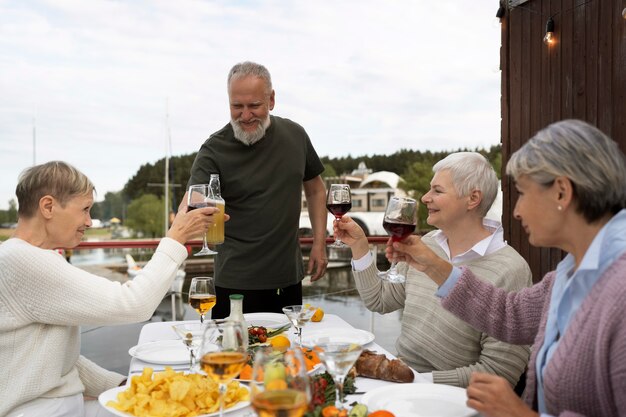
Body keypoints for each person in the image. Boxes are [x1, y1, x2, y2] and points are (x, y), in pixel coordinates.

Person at [390, 120, 626, 417]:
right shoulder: (571, 271)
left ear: (561, 193)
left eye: (524, 194)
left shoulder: (619, 289)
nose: (517, 210)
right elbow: (510, 314)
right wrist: (434, 266)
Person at [0, 161, 217, 417]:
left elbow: (56, 360)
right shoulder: (21, 260)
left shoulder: (27, 256)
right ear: (48, 206)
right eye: (85, 209)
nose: (89, 221)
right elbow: (134, 304)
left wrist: (122, 385)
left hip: (60, 405)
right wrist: (177, 236)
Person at [334, 152, 532, 388]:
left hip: (455, 401)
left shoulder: (511, 269)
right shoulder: (427, 243)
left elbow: (499, 374)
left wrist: (414, 381)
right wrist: (359, 245)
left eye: (437, 191)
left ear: (472, 199)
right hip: (402, 380)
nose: (425, 197)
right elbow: (379, 300)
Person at [183, 61, 328, 318]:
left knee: (287, 354)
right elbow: (192, 200)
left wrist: (319, 243)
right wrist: (195, 211)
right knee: (235, 356)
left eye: (254, 106)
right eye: (237, 106)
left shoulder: (296, 135)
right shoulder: (213, 149)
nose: (245, 115)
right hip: (234, 283)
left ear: (271, 100)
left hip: (288, 280)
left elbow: (316, 190)